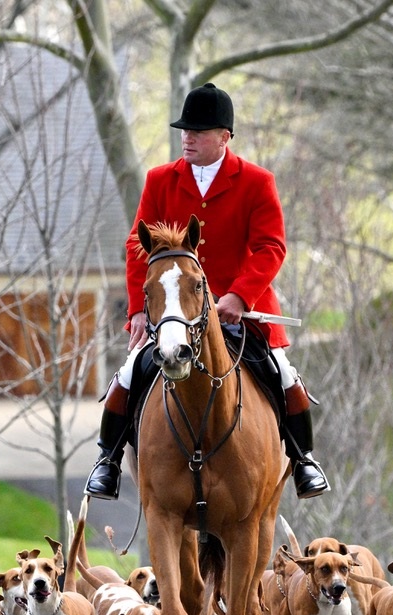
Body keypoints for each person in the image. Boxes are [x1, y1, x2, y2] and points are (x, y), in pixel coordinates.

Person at [84, 83, 329, 501]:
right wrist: (140, 312)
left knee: (286, 377)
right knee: (126, 376)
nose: (187, 138)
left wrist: (238, 296)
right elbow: (136, 244)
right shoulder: (161, 180)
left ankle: (304, 460)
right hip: (174, 313)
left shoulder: (256, 181)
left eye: (198, 131)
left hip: (241, 313)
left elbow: (271, 246)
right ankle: (107, 462)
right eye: (184, 130)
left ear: (224, 137)